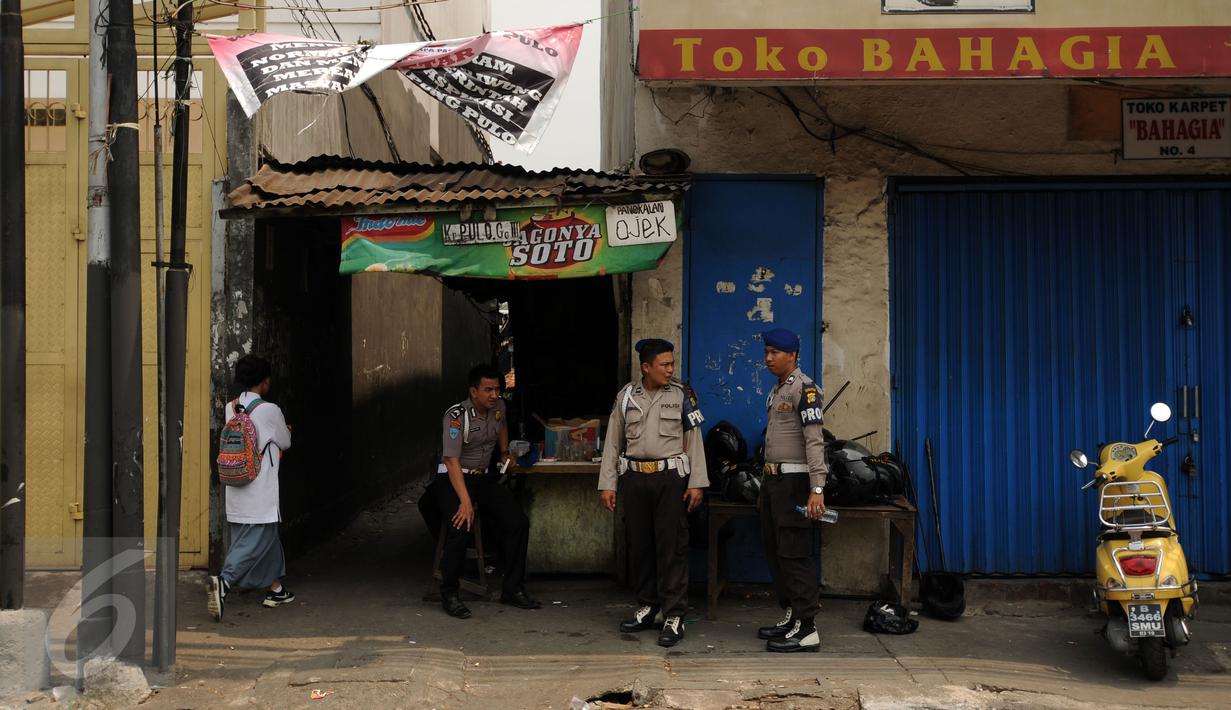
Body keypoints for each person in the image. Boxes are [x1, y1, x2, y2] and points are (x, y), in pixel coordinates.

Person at [598, 339, 709, 647]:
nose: (671, 369)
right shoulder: (625, 397)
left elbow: (694, 439)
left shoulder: (682, 396)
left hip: (670, 479)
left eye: (672, 364)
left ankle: (674, 614)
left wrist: (696, 482)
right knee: (641, 545)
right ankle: (648, 606)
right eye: (664, 365)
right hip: (634, 479)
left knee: (672, 546)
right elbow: (612, 442)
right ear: (646, 367)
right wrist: (608, 484)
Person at [436, 364, 540, 619]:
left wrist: (505, 453)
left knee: (518, 523)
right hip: (454, 479)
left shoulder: (499, 408)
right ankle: (450, 593)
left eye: (497, 389)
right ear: (473, 391)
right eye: (488, 390)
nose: (494, 395)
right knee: (461, 525)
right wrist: (465, 501)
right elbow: (451, 461)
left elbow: (502, 424)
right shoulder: (456, 416)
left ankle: (512, 589)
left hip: (483, 479)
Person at [756, 327, 829, 652]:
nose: (768, 358)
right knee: (776, 553)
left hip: (796, 484)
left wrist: (817, 488)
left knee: (794, 554)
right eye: (767, 351)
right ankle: (792, 617)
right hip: (774, 482)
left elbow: (815, 442)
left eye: (775, 352)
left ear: (792, 355)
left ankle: (808, 628)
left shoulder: (806, 389)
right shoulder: (778, 389)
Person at [208, 355, 294, 621]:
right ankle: (223, 581)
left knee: (262, 537)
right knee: (261, 538)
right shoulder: (269, 410)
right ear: (264, 382)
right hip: (260, 488)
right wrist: (287, 431)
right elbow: (285, 441)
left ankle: (276, 589)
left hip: (236, 483)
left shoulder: (231, 408)